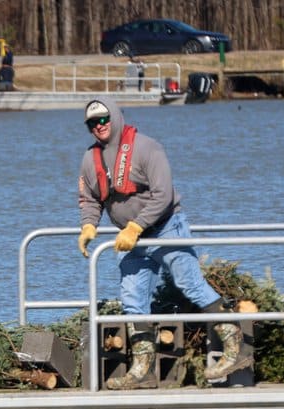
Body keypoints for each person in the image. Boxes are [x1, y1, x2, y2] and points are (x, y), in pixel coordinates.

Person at [75, 96, 248, 390]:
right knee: (132, 298)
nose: (99, 126)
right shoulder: (89, 160)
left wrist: (136, 226)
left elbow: (163, 194)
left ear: (115, 118)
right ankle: (143, 370)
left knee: (189, 283)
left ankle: (236, 349)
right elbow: (89, 198)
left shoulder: (147, 148)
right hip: (131, 240)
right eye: (93, 123)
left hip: (166, 227)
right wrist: (89, 225)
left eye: (104, 119)